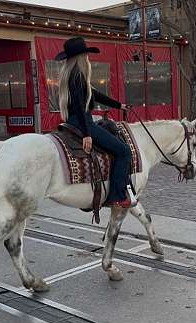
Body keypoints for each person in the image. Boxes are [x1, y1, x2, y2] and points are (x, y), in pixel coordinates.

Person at [55, 37, 134, 208]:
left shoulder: (72, 75)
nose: (88, 59)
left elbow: (95, 95)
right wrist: (87, 134)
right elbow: (79, 106)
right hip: (83, 122)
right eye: (86, 56)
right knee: (124, 151)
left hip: (72, 121)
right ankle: (117, 196)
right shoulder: (77, 76)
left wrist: (119, 105)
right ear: (82, 57)